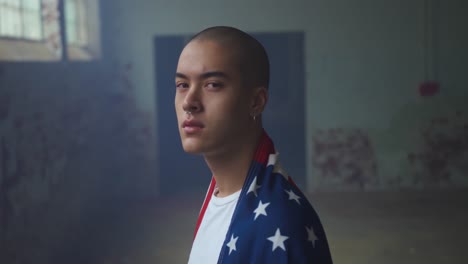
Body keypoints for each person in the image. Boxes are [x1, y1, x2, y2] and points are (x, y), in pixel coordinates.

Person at [174, 26, 333, 264]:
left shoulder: (282, 223)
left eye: (213, 84)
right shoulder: (220, 193)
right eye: (182, 85)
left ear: (256, 102)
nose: (189, 102)